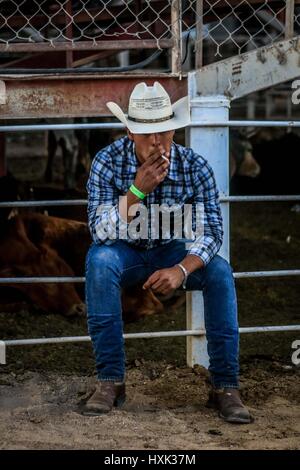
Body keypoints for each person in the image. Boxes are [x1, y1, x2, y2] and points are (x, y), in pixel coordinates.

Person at [84, 82, 252, 424]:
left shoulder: (195, 167)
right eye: (147, 133)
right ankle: (111, 380)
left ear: (173, 128)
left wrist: (182, 270)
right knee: (100, 262)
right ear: (130, 132)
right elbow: (99, 231)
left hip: (172, 252)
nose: (156, 142)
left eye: (162, 131)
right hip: (124, 251)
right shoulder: (107, 161)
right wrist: (135, 191)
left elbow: (212, 233)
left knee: (219, 272)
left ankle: (225, 386)